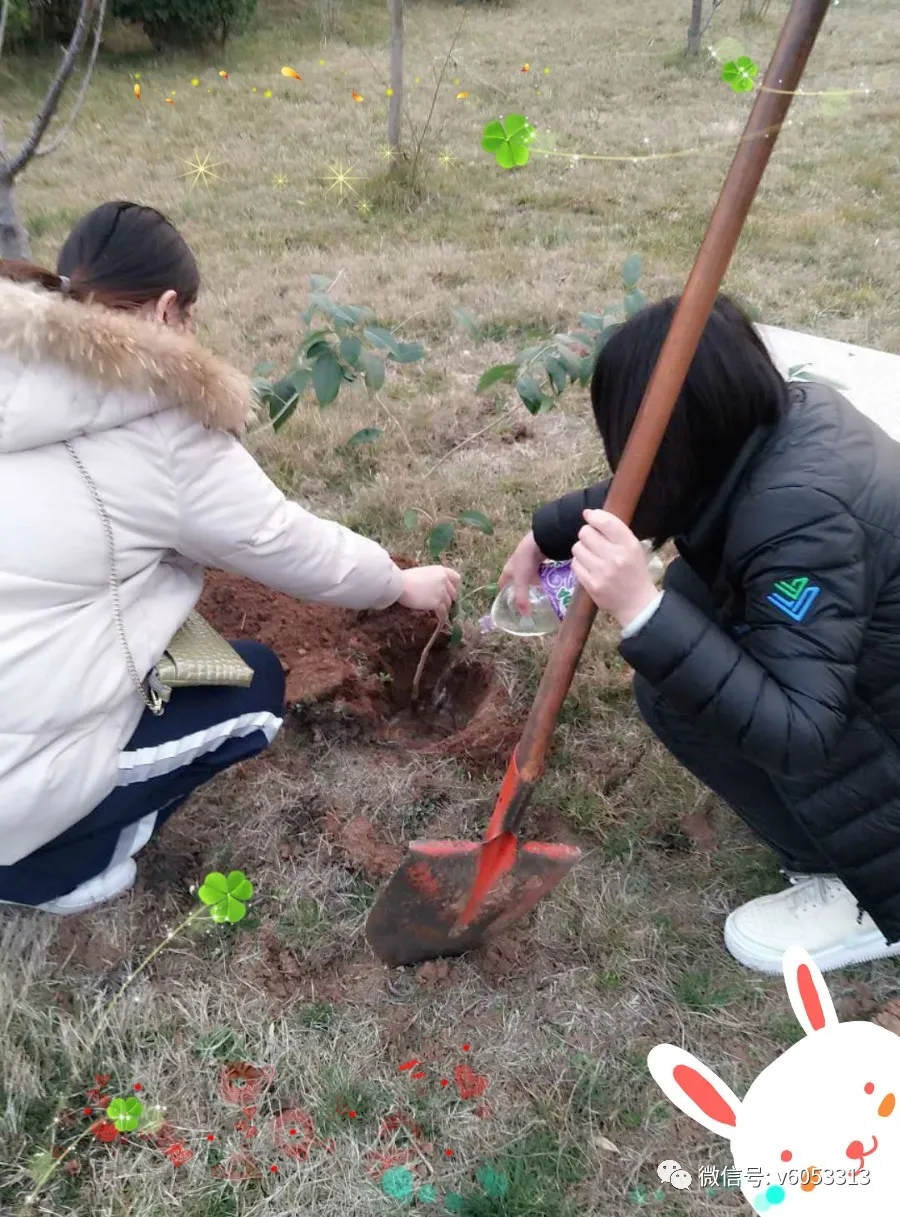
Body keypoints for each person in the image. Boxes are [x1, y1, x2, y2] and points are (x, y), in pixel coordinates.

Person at [0, 201, 460, 916]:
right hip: (11, 784)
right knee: (257, 685)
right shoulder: (154, 417)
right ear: (167, 310)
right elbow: (284, 541)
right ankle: (54, 868)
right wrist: (399, 579)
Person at [500, 294, 900, 975]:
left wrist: (642, 607)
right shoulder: (770, 420)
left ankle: (868, 891)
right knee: (679, 662)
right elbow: (660, 482)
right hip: (863, 654)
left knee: (682, 634)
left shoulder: (800, 518)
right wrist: (548, 530)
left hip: (872, 715)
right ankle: (822, 847)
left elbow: (802, 731)